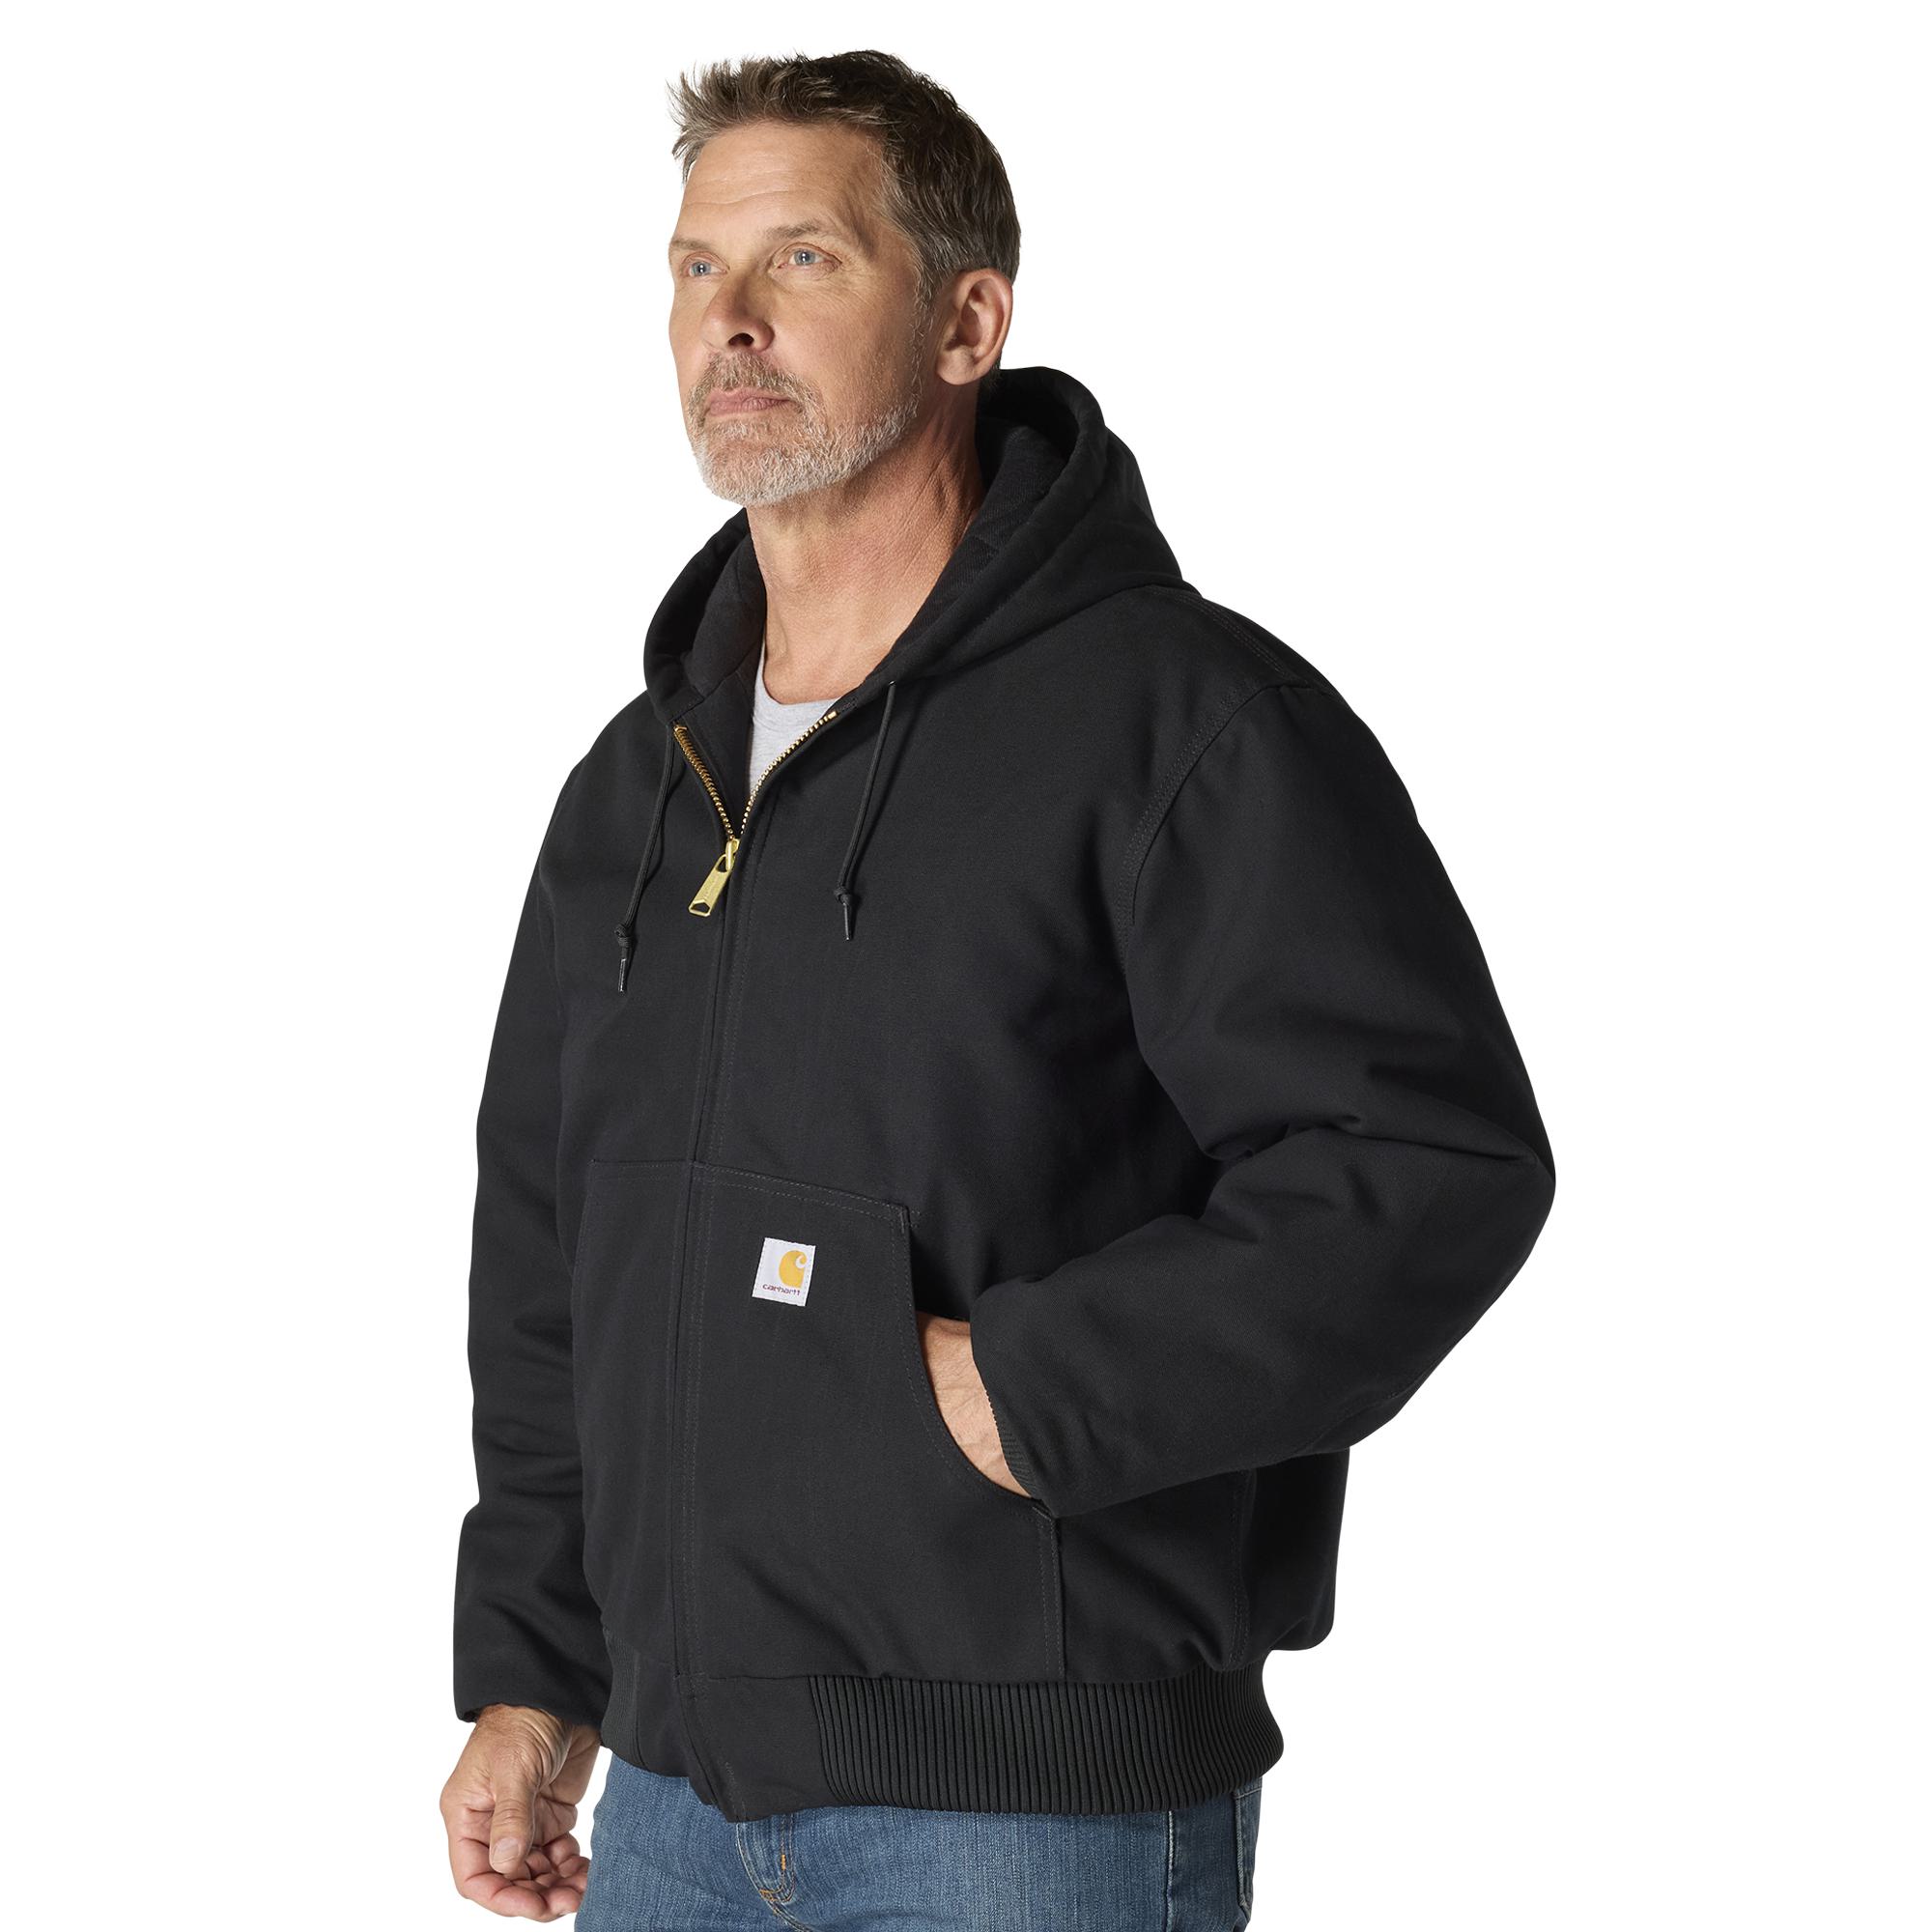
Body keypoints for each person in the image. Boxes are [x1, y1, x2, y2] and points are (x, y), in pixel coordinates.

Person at [439, 48, 1556, 1929]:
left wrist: (1039, 1389)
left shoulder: (1181, 725)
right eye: (696, 266)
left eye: (803, 259)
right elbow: (554, 1258)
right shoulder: (641, 786)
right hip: (675, 1808)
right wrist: (536, 1671)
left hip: (1026, 1825)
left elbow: (1420, 1163)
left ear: (968, 322)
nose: (729, 318)